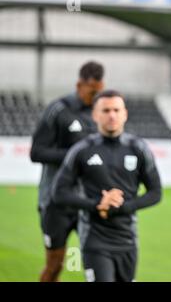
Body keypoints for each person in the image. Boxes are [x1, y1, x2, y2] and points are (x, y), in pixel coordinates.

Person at [52, 90, 162, 282]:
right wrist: (97, 205)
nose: (112, 115)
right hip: (95, 239)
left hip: (127, 240)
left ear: (124, 114)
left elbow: (155, 192)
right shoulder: (82, 150)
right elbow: (59, 193)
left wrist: (124, 207)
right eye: (106, 110)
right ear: (95, 114)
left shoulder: (138, 148)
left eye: (116, 110)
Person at [30, 61, 104, 282]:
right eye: (92, 92)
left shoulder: (100, 112)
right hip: (56, 203)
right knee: (54, 267)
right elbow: (36, 152)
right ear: (79, 85)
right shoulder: (58, 110)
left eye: (99, 92)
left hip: (89, 202)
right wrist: (75, 155)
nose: (95, 97)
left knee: (98, 269)